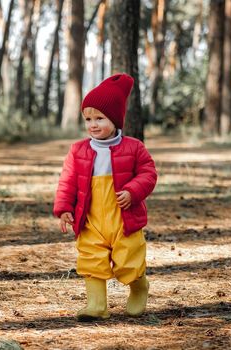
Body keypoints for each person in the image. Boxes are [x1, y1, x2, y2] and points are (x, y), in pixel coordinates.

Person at [53, 73, 158, 321]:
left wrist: (133, 191)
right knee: (91, 259)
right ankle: (97, 305)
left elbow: (148, 173)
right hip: (89, 217)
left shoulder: (134, 147)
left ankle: (139, 287)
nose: (93, 124)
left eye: (99, 118)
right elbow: (67, 180)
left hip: (123, 216)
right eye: (88, 119)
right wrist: (64, 208)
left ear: (115, 119)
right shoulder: (78, 150)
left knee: (128, 258)